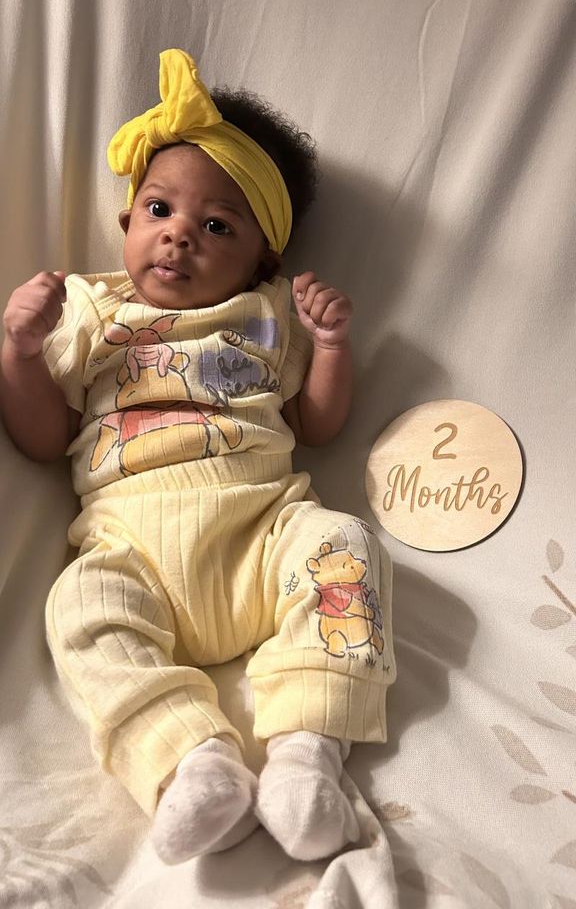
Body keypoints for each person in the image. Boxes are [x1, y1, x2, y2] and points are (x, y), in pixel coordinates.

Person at [0, 49, 395, 864]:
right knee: (77, 607)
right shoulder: (94, 311)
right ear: (128, 225)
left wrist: (329, 346)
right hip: (132, 548)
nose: (179, 233)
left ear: (262, 259)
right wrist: (22, 351)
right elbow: (41, 437)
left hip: (262, 532)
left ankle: (307, 753)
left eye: (218, 226)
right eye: (159, 209)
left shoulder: (268, 315)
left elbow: (317, 425)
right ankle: (194, 761)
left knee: (346, 547)